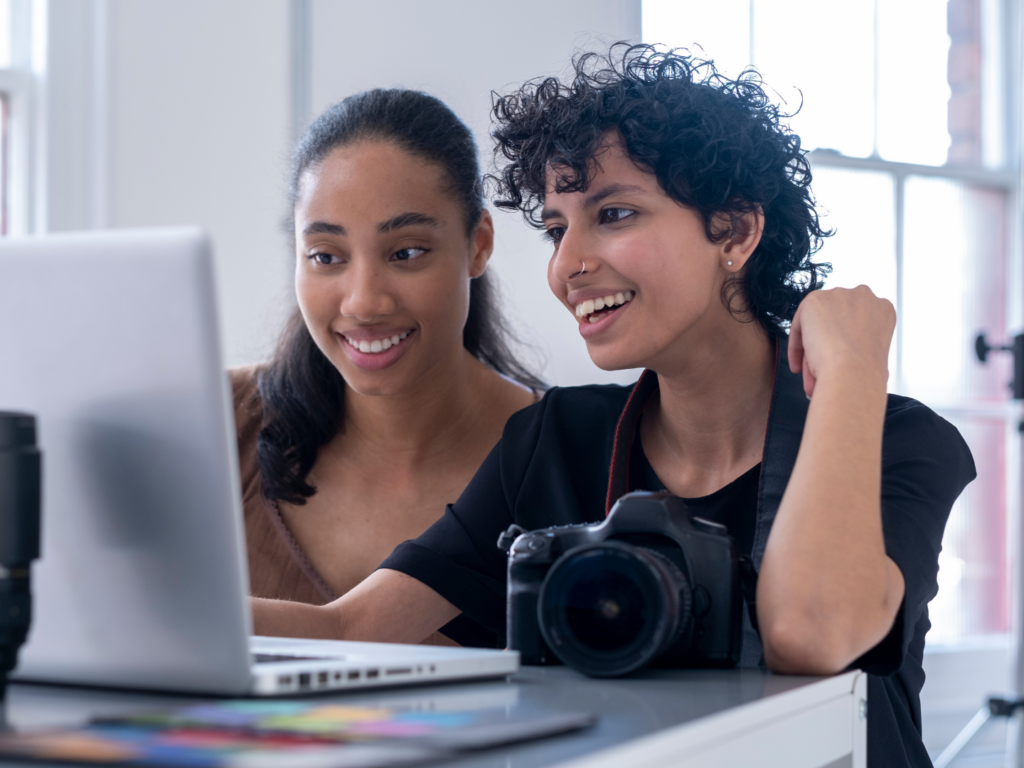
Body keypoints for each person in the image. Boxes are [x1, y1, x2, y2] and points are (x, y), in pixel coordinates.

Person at [251, 46, 975, 767]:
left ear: (737, 232)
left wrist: (852, 369)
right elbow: (351, 630)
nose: (567, 266)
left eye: (615, 214)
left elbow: (811, 633)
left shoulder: (899, 439)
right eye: (559, 228)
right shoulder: (555, 439)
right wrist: (142, 617)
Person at [234, 89, 540, 646]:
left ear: (478, 244)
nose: (363, 303)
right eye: (326, 256)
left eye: (406, 253)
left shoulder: (570, 456)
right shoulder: (214, 423)